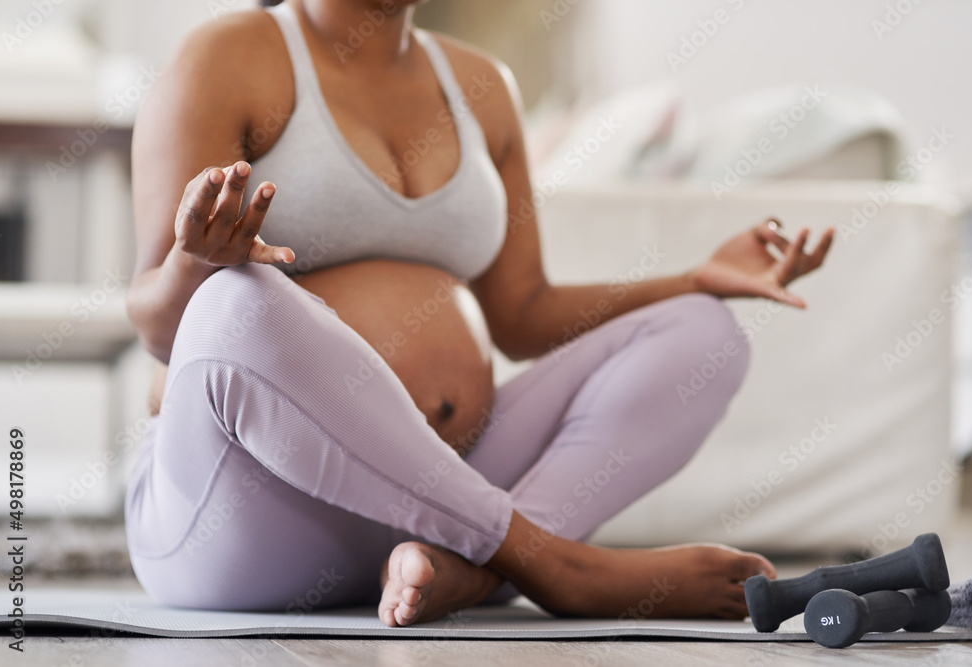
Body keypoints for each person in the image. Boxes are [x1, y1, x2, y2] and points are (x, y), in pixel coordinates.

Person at [124, 0, 834, 627]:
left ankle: (473, 569)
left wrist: (694, 277)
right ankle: (558, 567)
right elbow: (163, 330)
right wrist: (199, 262)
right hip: (247, 520)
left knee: (702, 328)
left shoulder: (483, 87)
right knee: (236, 299)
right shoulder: (229, 55)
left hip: (434, 515)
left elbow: (522, 313)